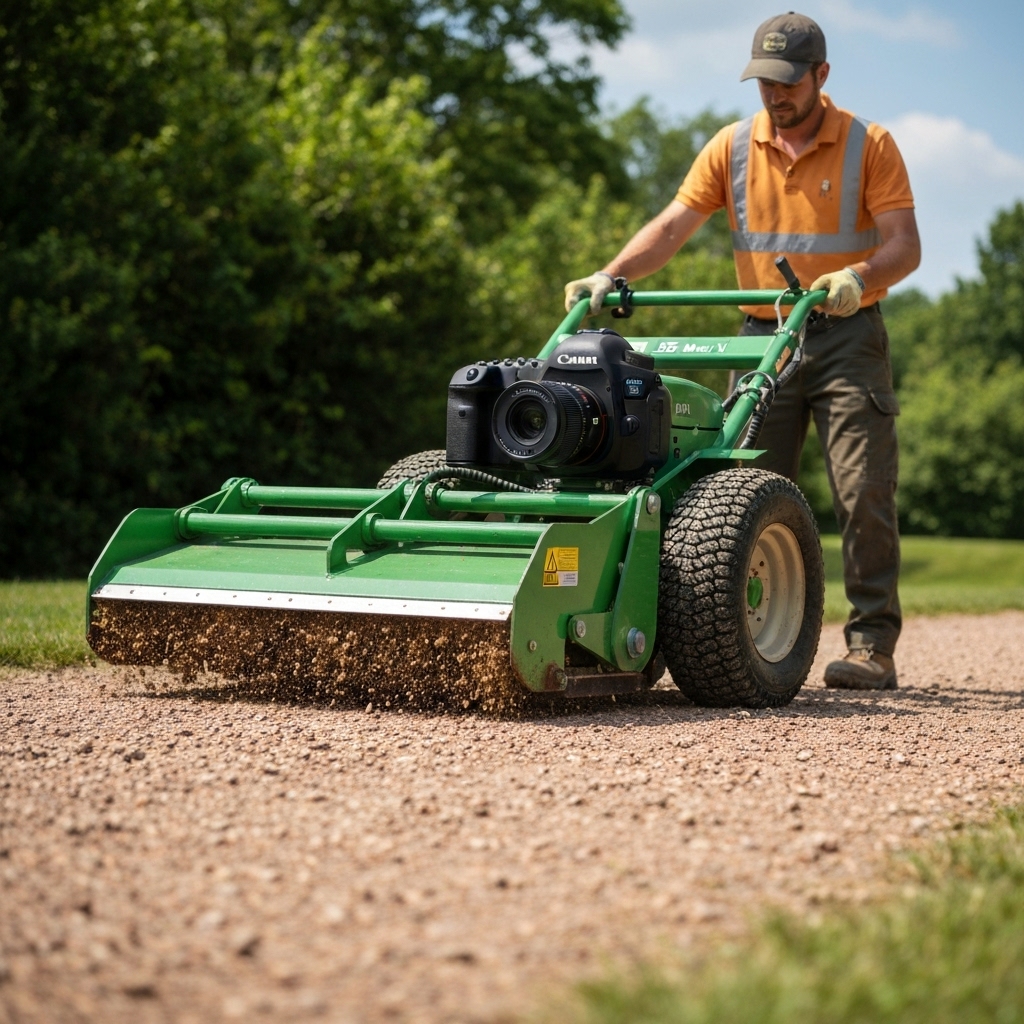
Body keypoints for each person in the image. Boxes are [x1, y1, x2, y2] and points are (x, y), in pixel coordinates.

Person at [564, 12, 920, 691]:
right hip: (763, 338)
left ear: (821, 75)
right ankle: (727, 641)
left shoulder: (869, 144)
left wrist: (857, 278)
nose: (775, 96)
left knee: (863, 489)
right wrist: (612, 279)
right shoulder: (731, 147)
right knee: (726, 494)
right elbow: (673, 226)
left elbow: (906, 243)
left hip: (847, 334)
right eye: (764, 82)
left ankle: (871, 644)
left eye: (788, 82)